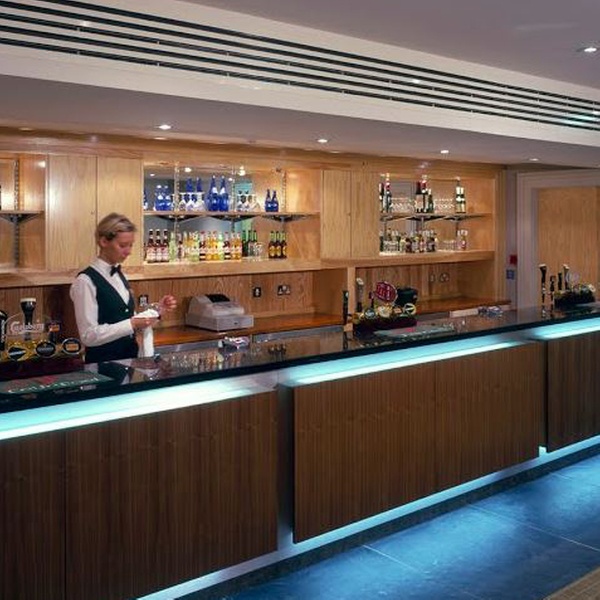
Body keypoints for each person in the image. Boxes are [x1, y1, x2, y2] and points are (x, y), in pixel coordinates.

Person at [70, 212, 177, 363]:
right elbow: (88, 336)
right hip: (102, 366)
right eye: (122, 245)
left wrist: (158, 310)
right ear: (103, 241)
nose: (128, 251)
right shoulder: (85, 281)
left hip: (129, 362)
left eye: (130, 245)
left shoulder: (120, 275)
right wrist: (132, 324)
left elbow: (129, 318)